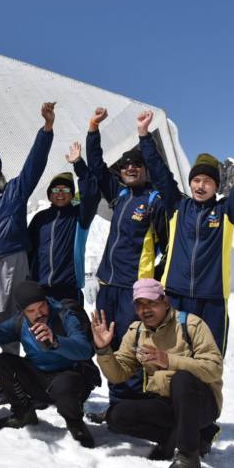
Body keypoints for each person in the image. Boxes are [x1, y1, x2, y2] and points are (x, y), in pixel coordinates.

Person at [136, 109, 234, 356]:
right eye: (196, 180)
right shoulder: (177, 207)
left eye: (207, 181)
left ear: (216, 186)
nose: (200, 185)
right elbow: (160, 173)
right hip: (174, 297)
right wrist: (144, 136)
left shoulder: (226, 212)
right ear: (190, 182)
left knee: (207, 363)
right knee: (167, 359)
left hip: (211, 301)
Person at [91, 278, 223, 468]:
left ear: (165, 301)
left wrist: (169, 361)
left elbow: (214, 368)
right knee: (116, 416)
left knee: (182, 379)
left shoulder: (191, 325)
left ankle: (188, 455)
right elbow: (118, 374)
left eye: (151, 303)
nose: (145, 310)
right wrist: (103, 350)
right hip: (165, 403)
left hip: (201, 404)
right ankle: (179, 437)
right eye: (139, 305)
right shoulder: (136, 332)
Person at [85, 107, 168, 404]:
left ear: (144, 170)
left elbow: (167, 246)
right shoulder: (119, 196)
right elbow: (96, 166)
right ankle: (115, 406)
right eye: (125, 166)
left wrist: (153, 280)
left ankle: (133, 407)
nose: (130, 168)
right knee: (107, 345)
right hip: (108, 286)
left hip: (134, 290)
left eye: (136, 165)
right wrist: (93, 129)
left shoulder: (154, 201)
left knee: (131, 347)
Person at [0, 102, 56, 354]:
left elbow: (34, 165)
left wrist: (46, 129)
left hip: (14, 263)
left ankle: (12, 376)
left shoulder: (14, 190)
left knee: (12, 322)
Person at [0, 280, 96, 448]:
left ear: (47, 301)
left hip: (70, 379)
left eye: (42, 306)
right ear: (23, 312)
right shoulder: (20, 322)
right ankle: (23, 414)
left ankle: (76, 424)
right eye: (31, 311)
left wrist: (56, 342)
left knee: (65, 384)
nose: (39, 313)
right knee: (1, 362)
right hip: (40, 380)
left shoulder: (65, 316)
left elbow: (84, 349)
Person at [28, 141, 100, 304]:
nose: (60, 193)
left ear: (71, 194)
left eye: (66, 189)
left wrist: (79, 165)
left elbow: (91, 195)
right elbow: (29, 250)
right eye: (56, 189)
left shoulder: (79, 216)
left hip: (68, 292)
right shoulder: (40, 218)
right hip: (41, 293)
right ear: (49, 194)